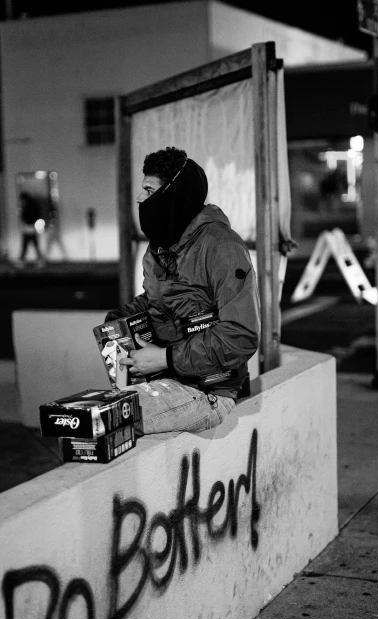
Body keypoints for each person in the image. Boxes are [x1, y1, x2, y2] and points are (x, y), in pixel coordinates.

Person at [105, 146, 261, 435]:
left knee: (107, 420)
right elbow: (157, 302)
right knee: (103, 410)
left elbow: (241, 335)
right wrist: (122, 319)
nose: (140, 199)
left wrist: (163, 358)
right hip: (167, 379)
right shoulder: (159, 248)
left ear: (173, 195)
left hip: (209, 390)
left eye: (149, 190)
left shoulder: (222, 247)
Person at [18, 192, 44, 264]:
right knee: (34, 245)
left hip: (29, 227)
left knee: (25, 245)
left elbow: (25, 216)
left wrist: (26, 223)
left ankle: (22, 261)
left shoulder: (27, 206)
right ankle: (39, 260)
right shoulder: (31, 205)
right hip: (32, 227)